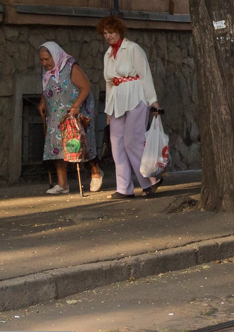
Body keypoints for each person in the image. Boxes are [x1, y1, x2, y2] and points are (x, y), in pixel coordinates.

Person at [97, 16, 162, 199]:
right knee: (116, 143)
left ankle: (151, 180)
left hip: (135, 97)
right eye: (105, 33)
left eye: (111, 32)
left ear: (119, 31)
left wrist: (152, 100)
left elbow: (145, 75)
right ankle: (124, 188)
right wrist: (108, 112)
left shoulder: (133, 49)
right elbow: (109, 83)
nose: (108, 36)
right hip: (117, 101)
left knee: (133, 140)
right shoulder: (108, 55)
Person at [37, 42, 102, 194]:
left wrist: (76, 106)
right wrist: (42, 102)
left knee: (81, 145)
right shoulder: (46, 70)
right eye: (42, 60)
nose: (44, 63)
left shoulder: (71, 66)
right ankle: (62, 184)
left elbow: (86, 87)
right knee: (57, 146)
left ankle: (95, 172)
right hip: (56, 113)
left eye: (47, 59)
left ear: (55, 55)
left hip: (75, 112)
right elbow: (46, 85)